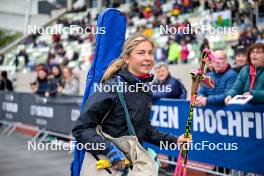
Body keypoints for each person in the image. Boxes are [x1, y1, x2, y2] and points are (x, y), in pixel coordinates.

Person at [72, 33, 191, 172]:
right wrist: (109, 149)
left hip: (132, 166)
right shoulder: (111, 87)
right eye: (141, 53)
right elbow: (81, 129)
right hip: (108, 167)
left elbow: (144, 131)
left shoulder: (144, 89)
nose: (148, 58)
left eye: (150, 53)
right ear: (127, 58)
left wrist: (175, 141)